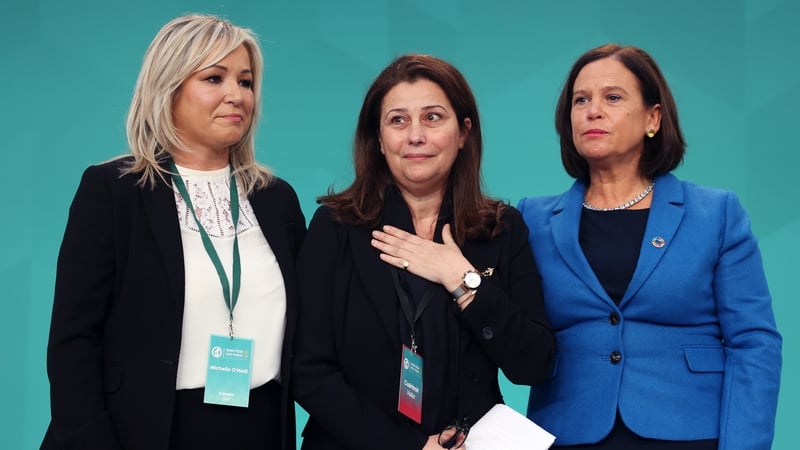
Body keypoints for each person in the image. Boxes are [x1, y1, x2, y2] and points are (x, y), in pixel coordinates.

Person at [41, 14, 305, 450]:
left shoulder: (277, 199)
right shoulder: (113, 190)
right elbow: (73, 341)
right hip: (142, 432)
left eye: (245, 81)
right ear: (170, 87)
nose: (236, 95)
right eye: (214, 78)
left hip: (260, 427)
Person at [518, 43, 782, 449]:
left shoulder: (716, 213)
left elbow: (754, 344)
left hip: (690, 431)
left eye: (613, 97)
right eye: (580, 100)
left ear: (652, 118)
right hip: (567, 433)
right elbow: (504, 331)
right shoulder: (531, 220)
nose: (593, 111)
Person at [291, 54, 556, 450]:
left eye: (433, 118)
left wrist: (462, 281)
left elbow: (535, 363)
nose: (416, 135)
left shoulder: (501, 228)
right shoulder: (335, 227)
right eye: (398, 120)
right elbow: (307, 369)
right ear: (378, 139)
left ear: (464, 132)